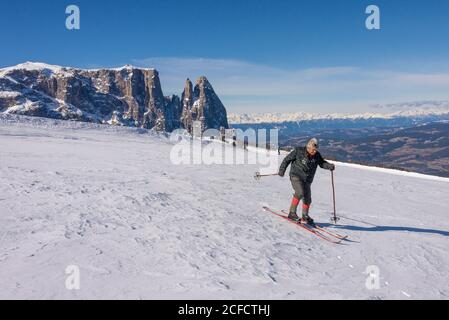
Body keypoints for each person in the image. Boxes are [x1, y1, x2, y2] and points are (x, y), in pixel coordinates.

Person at [278, 138, 335, 225]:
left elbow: (322, 163)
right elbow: (287, 159)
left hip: (307, 179)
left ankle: (305, 215)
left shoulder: (316, 155)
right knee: (300, 192)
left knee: (307, 198)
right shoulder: (298, 151)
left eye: (316, 150)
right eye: (313, 150)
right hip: (296, 176)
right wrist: (282, 170)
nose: (315, 151)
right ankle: (292, 213)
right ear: (308, 147)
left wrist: (329, 166)